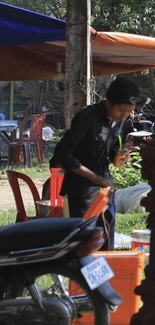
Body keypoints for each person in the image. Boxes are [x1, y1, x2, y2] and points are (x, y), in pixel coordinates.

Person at [50, 77, 140, 250]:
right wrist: (94, 177)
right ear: (108, 103)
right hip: (82, 190)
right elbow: (62, 152)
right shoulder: (86, 118)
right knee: (86, 244)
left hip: (105, 190)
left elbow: (112, 149)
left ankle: (104, 275)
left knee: (106, 240)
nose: (125, 116)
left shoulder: (121, 121)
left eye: (130, 112)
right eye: (122, 111)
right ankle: (79, 275)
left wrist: (119, 154)